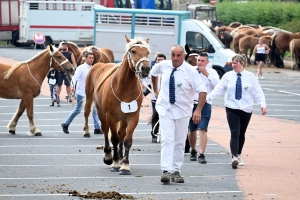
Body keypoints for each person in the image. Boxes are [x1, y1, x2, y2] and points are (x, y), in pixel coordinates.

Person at [151, 45, 207, 183]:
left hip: (183, 111)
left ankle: (176, 170)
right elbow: (153, 73)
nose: (175, 58)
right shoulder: (163, 65)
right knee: (167, 139)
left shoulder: (190, 71)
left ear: (183, 56)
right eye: (173, 55)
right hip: (165, 109)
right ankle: (166, 170)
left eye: (178, 55)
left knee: (179, 142)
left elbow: (202, 91)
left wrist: (198, 110)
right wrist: (156, 91)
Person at [206, 54, 267, 169]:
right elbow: (219, 89)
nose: (233, 65)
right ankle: (234, 157)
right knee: (234, 132)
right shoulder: (228, 76)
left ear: (242, 63)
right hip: (231, 107)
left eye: (235, 63)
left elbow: (258, 91)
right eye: (232, 63)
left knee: (241, 133)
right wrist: (208, 98)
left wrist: (262, 104)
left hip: (246, 108)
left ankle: (239, 154)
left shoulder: (250, 76)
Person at [61, 52, 102, 137]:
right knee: (78, 110)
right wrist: (72, 87)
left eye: (92, 58)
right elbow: (74, 78)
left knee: (94, 110)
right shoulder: (81, 68)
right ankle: (66, 124)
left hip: (91, 93)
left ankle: (97, 128)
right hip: (81, 92)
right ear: (85, 58)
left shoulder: (93, 68)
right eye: (90, 58)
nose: (91, 59)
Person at [188, 52, 220, 164]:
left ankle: (201, 154)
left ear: (207, 62)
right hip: (191, 103)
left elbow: (218, 85)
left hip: (206, 103)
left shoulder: (212, 72)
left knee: (202, 128)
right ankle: (193, 150)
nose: (200, 63)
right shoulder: (191, 70)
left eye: (202, 61)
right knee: (192, 130)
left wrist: (207, 74)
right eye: (198, 60)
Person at [148, 53, 166, 143]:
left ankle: (165, 134)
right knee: (155, 116)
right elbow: (148, 83)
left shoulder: (168, 71)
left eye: (162, 60)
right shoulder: (152, 71)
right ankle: (154, 134)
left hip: (166, 99)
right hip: (155, 98)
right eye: (158, 60)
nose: (160, 61)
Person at [57, 41, 77, 105]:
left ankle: (69, 97)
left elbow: (74, 62)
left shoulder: (70, 53)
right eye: (63, 45)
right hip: (60, 71)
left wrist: (74, 70)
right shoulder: (59, 53)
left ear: (67, 46)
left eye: (65, 45)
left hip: (67, 72)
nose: (64, 46)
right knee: (59, 85)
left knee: (68, 85)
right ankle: (57, 97)